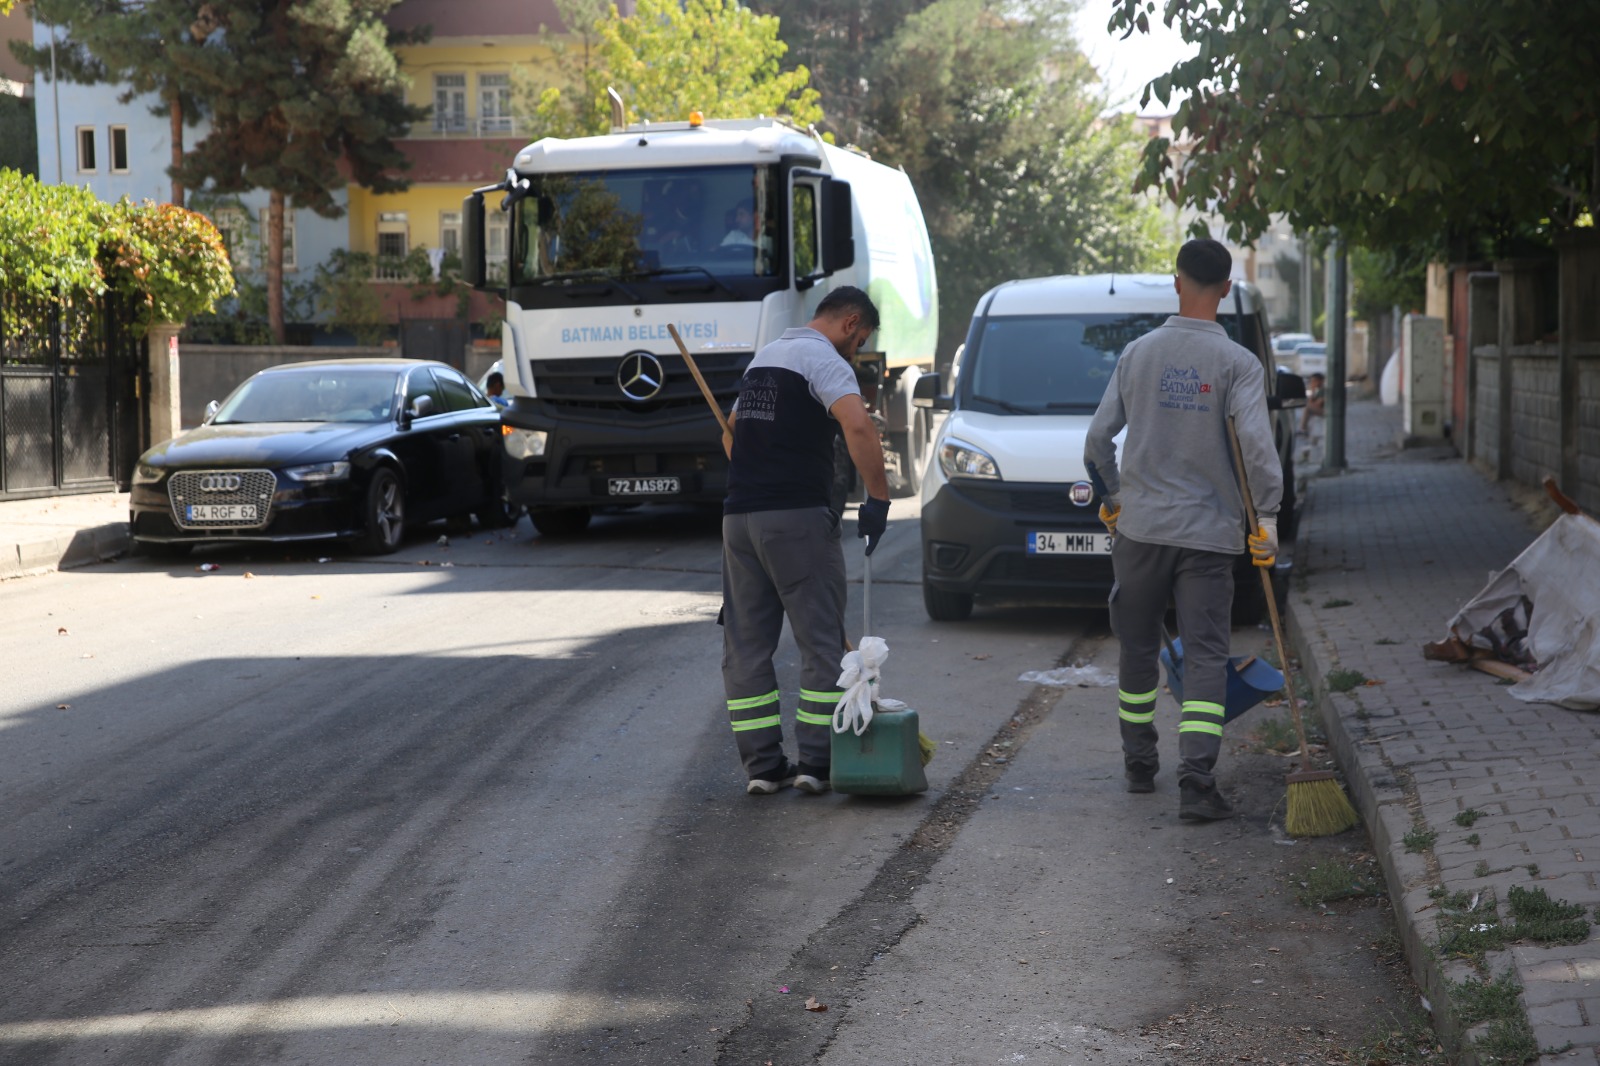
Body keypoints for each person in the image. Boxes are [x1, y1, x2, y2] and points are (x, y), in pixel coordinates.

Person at [1083, 238, 1283, 822]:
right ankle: (1196, 784)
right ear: (1226, 288)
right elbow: (1257, 448)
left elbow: (1097, 440)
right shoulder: (1238, 364)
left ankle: (1138, 765)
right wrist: (1267, 518)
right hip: (1209, 535)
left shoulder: (1138, 354)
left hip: (1141, 530)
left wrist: (1115, 497)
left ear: (1176, 282)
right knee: (1205, 656)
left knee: (1138, 648)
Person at [720, 286, 891, 796]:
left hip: (739, 520)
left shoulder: (765, 359)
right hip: (795, 520)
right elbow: (858, 426)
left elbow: (732, 433)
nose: (856, 351)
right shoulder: (824, 360)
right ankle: (817, 763)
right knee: (820, 642)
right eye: (860, 340)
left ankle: (763, 767)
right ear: (851, 322)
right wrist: (878, 500)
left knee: (747, 646)